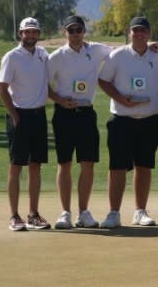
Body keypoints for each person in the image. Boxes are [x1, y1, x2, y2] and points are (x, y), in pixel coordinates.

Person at [97, 16, 158, 228]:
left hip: (150, 120)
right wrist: (121, 99)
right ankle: (114, 213)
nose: (139, 34)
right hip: (122, 120)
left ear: (148, 34)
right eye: (135, 30)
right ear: (129, 33)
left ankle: (140, 211)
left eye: (143, 31)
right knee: (117, 167)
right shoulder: (118, 55)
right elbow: (103, 80)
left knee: (144, 166)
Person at [47, 15, 111, 229]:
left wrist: (150, 45)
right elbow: (43, 84)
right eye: (71, 30)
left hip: (86, 114)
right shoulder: (56, 56)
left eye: (79, 30)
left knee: (87, 164)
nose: (75, 34)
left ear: (84, 31)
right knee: (64, 164)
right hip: (63, 115)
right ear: (64, 33)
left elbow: (122, 53)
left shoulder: (96, 50)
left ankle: (83, 212)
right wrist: (59, 100)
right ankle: (65, 212)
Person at [0, 17, 51, 231]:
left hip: (38, 116)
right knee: (16, 166)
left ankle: (33, 214)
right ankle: (14, 216)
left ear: (38, 34)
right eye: (27, 32)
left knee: (35, 166)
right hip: (19, 116)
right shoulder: (11, 57)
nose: (30, 36)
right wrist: (14, 114)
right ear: (20, 33)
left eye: (34, 32)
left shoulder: (43, 55)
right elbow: (2, 89)